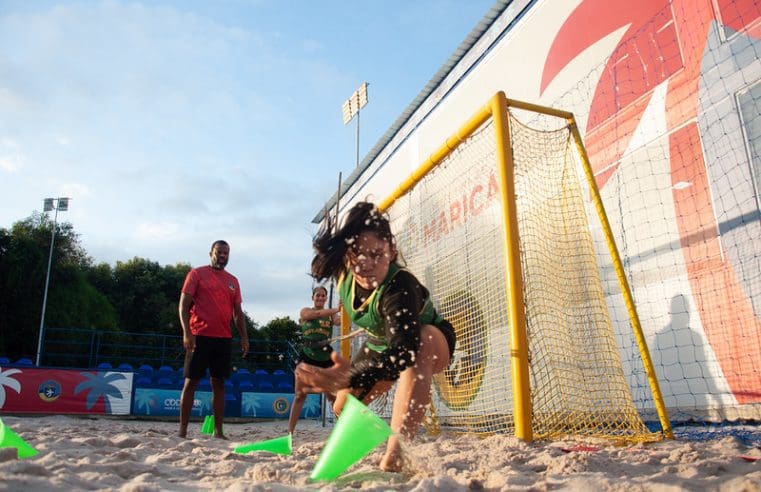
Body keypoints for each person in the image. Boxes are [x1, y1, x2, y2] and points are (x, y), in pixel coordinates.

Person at [295, 201, 456, 471]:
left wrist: (350, 376)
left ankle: (397, 454)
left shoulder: (399, 286)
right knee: (342, 407)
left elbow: (404, 352)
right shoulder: (345, 269)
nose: (366, 264)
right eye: (358, 254)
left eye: (377, 254)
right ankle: (383, 428)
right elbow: (320, 263)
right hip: (381, 345)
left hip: (427, 341)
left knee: (421, 344)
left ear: (391, 251)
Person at [178, 240, 249, 439]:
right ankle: (182, 431)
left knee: (219, 384)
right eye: (219, 252)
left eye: (226, 253)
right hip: (199, 336)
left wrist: (244, 337)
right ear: (211, 252)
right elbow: (183, 306)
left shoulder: (233, 280)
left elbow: (237, 313)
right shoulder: (196, 274)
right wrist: (187, 332)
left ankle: (219, 431)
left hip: (223, 339)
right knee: (191, 382)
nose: (222, 256)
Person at [287, 285, 341, 435]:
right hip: (308, 355)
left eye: (323, 296)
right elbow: (316, 314)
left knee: (332, 394)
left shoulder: (330, 315)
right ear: (312, 297)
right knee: (300, 395)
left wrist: (348, 308)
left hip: (325, 356)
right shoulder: (305, 311)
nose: (320, 298)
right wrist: (336, 309)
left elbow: (338, 322)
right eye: (318, 295)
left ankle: (343, 427)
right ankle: (290, 432)